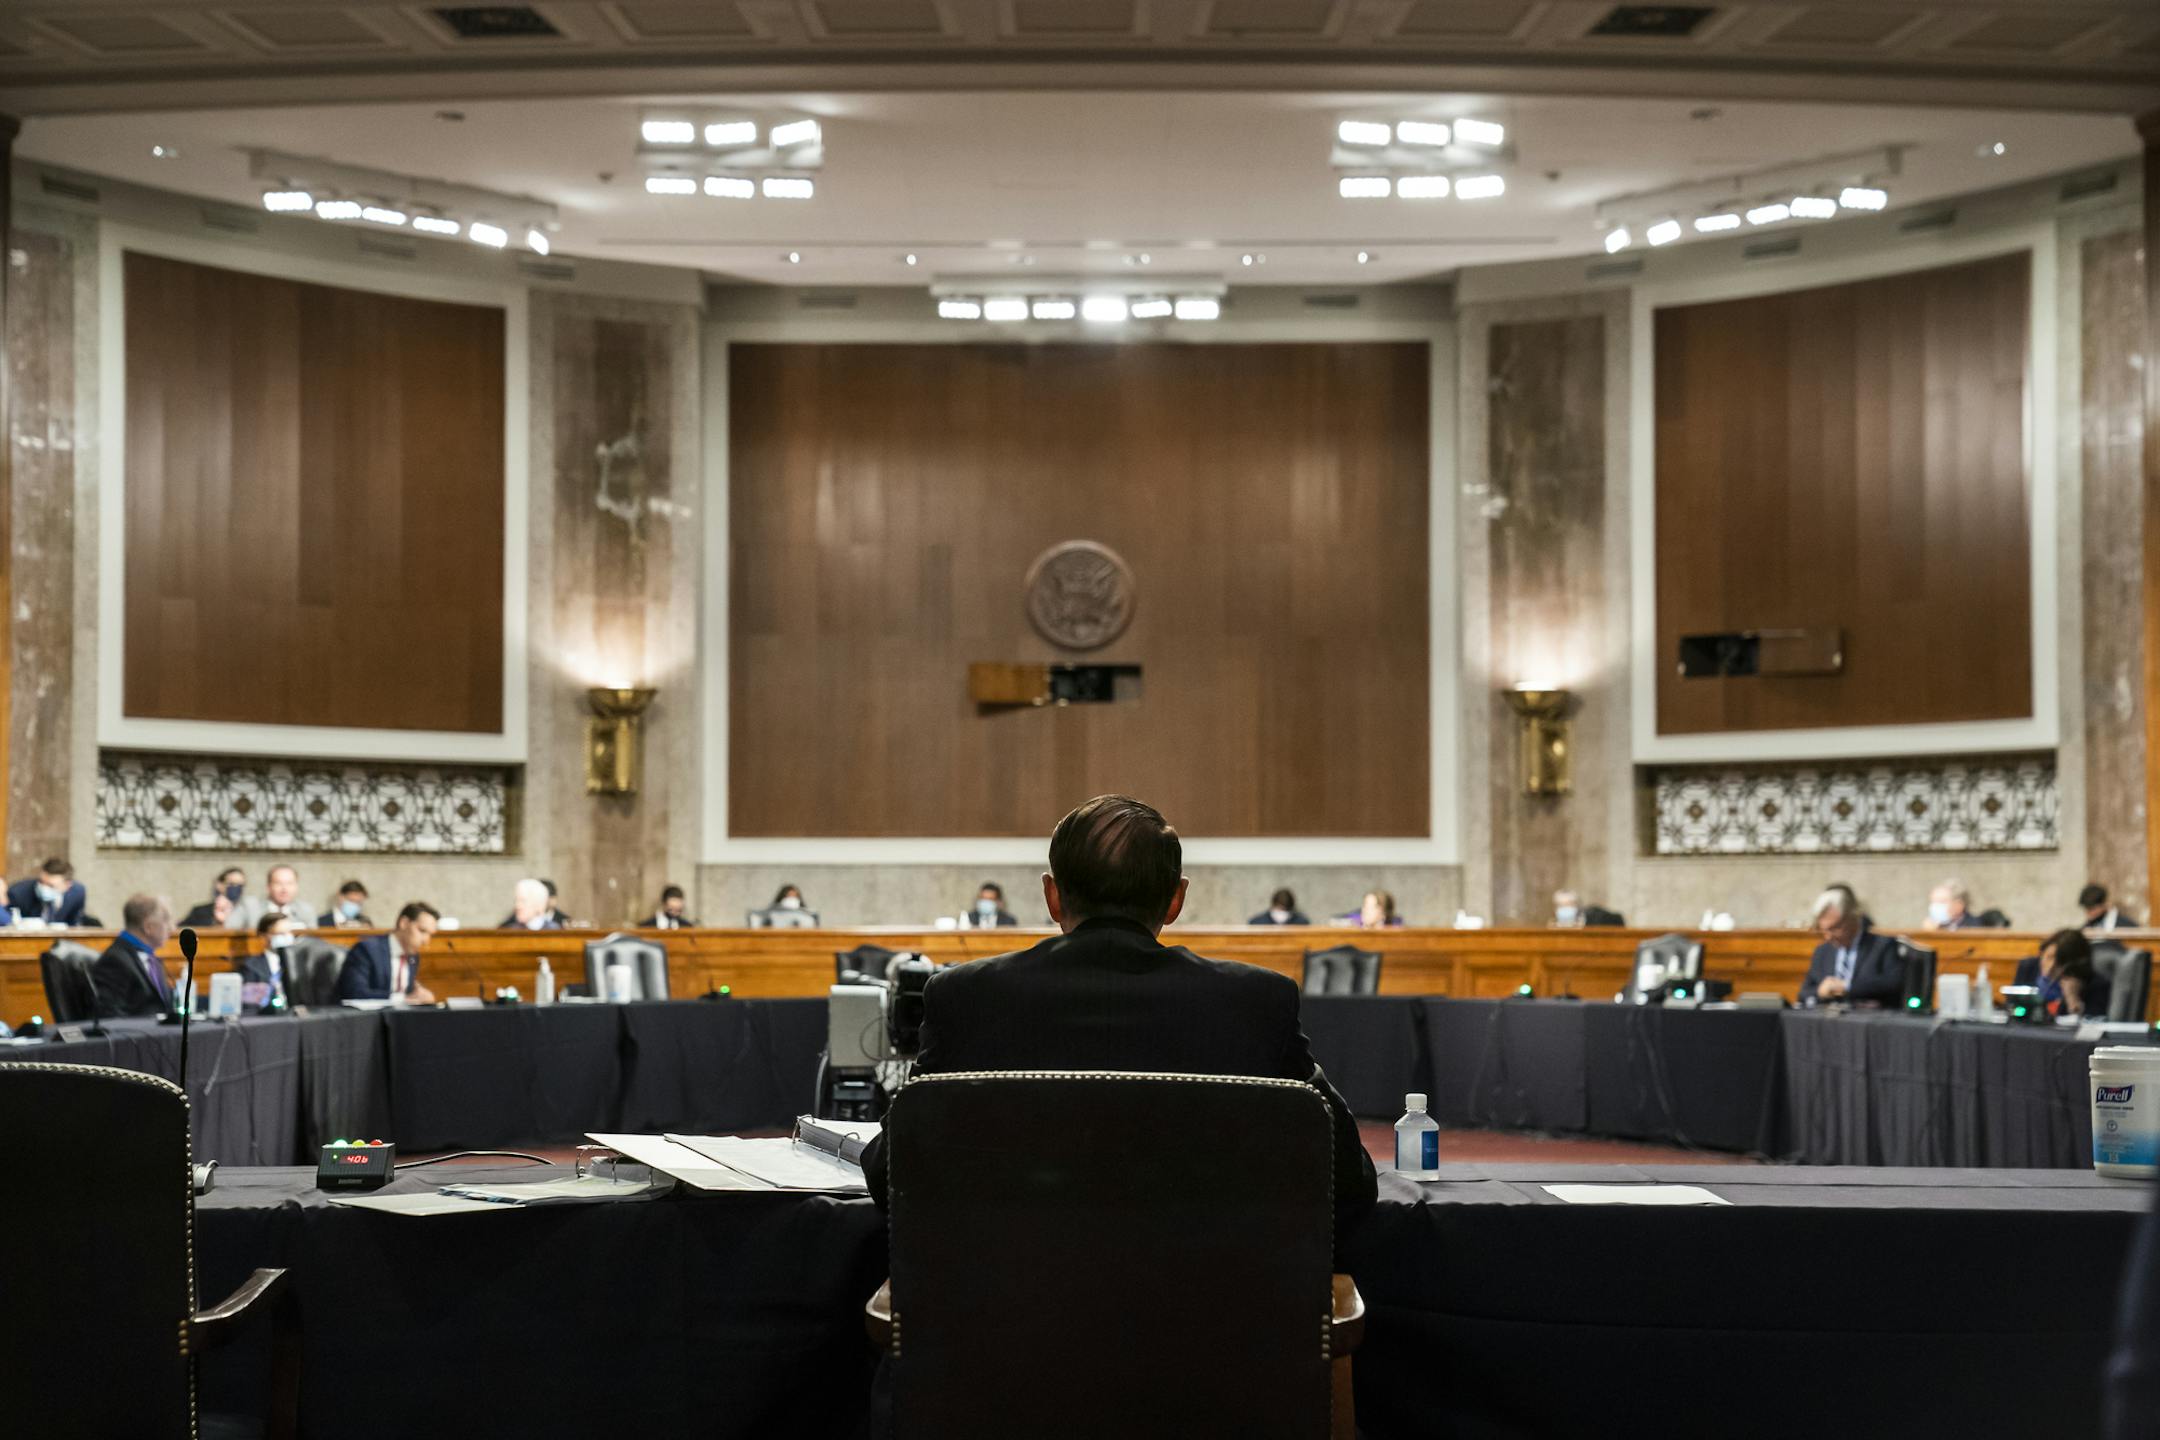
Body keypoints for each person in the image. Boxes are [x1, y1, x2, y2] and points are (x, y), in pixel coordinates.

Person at [861, 795, 1376, 1253]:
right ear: (1176, 899)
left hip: (1005, 1322)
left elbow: (889, 1176)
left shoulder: (966, 997)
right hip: (1217, 1321)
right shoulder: (1257, 1001)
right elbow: (1349, 1180)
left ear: (1053, 896)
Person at [1799, 888, 1904, 1006]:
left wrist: (1846, 986)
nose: (1828, 936)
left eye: (1835, 928)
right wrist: (1820, 991)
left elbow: (1893, 984)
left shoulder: (1882, 946)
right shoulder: (1823, 951)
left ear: (1853, 917)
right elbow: (1804, 993)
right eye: (1823, 930)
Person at [333, 902, 440, 1004]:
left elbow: (409, 993)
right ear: (404, 923)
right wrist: (402, 998)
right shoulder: (367, 950)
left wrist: (420, 994)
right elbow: (355, 993)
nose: (426, 940)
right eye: (422, 931)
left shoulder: (413, 957)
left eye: (430, 935)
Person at [88, 894, 177, 1017]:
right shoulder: (115, 961)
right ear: (148, 927)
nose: (172, 928)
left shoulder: (151, 959)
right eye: (167, 921)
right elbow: (111, 1016)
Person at [2033, 928, 2110, 1019]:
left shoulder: (2096, 985)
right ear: (2041, 953)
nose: (2050, 967)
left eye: (2060, 962)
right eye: (2049, 957)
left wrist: (2072, 999)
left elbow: (2093, 1024)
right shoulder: (2028, 969)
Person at [228, 864, 318, 930]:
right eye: (279, 883)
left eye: (290, 883)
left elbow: (314, 942)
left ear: (296, 886)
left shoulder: (306, 910)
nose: (284, 889)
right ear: (269, 886)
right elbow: (228, 931)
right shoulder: (250, 906)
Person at [235, 912, 299, 1005]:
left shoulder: (300, 962)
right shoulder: (250, 966)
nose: (287, 937)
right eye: (280, 934)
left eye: (289, 932)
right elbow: (249, 1004)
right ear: (263, 936)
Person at [7, 857, 87, 927]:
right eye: (41, 882)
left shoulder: (77, 893)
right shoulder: (18, 893)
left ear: (67, 885)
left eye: (51, 885)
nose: (44, 888)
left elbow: (74, 925)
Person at [180, 866, 245, 929]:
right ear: (219, 885)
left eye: (240, 886)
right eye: (232, 884)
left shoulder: (245, 912)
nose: (237, 888)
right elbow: (180, 930)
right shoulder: (200, 912)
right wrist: (215, 922)